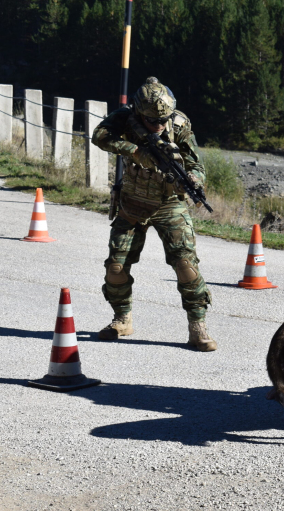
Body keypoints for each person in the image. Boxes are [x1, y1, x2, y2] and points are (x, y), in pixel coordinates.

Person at [91, 76, 216, 351]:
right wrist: (135, 150)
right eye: (152, 122)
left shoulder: (179, 124)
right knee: (116, 267)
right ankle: (122, 319)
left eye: (163, 121)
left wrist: (194, 179)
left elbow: (197, 164)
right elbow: (99, 136)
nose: (159, 126)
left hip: (170, 204)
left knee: (186, 267)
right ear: (139, 113)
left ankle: (198, 327)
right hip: (133, 204)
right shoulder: (125, 118)